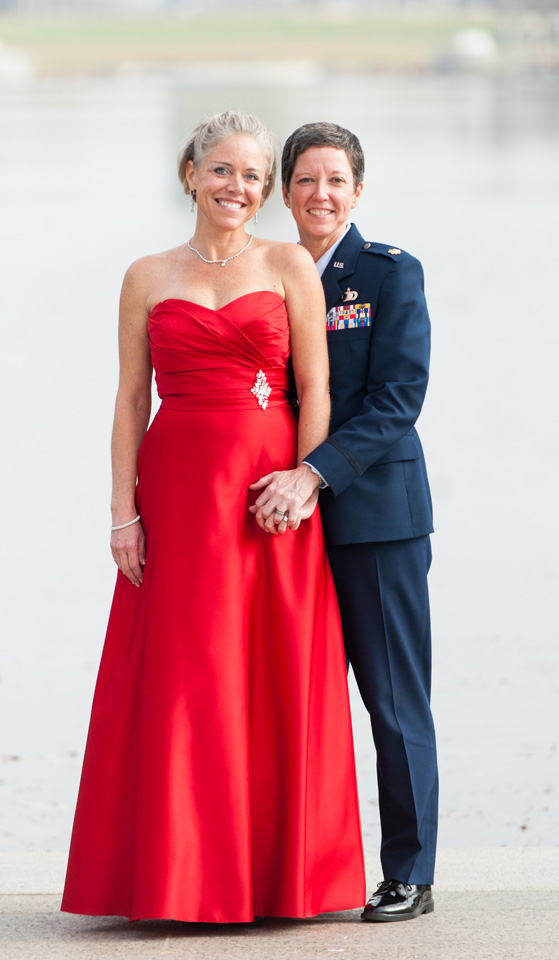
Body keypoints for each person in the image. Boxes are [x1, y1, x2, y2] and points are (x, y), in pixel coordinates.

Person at [61, 112, 365, 924]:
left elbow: (318, 386)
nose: (239, 188)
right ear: (190, 173)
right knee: (187, 676)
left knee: (267, 672)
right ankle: (179, 876)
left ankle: (277, 878)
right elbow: (130, 399)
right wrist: (122, 512)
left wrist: (302, 484)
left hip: (266, 497)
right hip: (179, 494)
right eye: (223, 171)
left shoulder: (290, 264)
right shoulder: (146, 274)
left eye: (254, 177)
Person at [250, 122, 438, 922]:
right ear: (282, 192)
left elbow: (398, 400)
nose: (319, 194)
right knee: (289, 697)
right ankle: (287, 865)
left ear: (356, 191)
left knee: (392, 699)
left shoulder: (387, 275)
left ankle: (410, 872)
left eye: (335, 180)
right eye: (304, 180)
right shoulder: (265, 272)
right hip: (278, 527)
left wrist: (314, 473)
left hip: (372, 517)